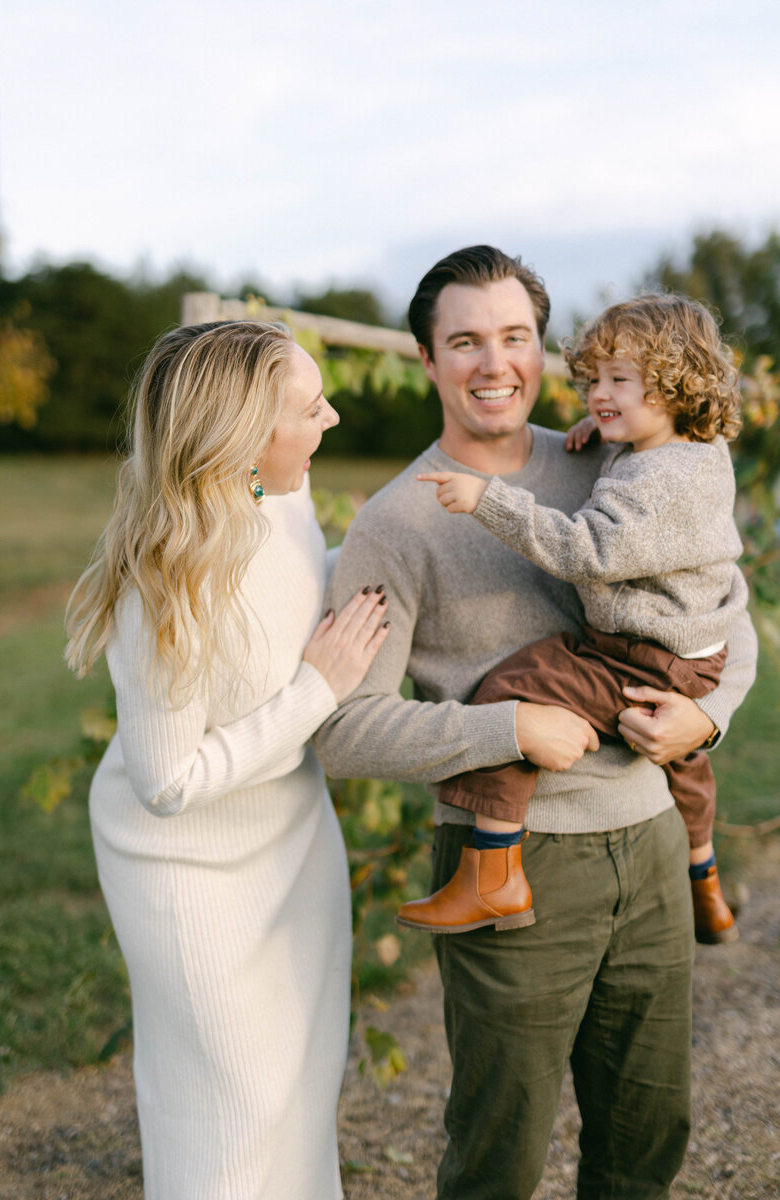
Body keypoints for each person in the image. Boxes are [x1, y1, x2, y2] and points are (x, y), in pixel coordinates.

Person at [314, 247, 757, 1200]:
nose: (494, 363)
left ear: (541, 349)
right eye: (464, 341)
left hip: (646, 848)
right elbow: (344, 729)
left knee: (647, 1137)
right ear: (426, 360)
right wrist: (504, 733)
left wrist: (705, 717)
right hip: (511, 864)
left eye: (514, 337)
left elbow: (730, 611)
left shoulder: (621, 457)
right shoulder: (398, 522)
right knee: (499, 1154)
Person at [65, 320, 390, 1200]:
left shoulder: (282, 497)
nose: (328, 419)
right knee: (231, 1107)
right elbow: (166, 780)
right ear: (242, 436)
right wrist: (317, 690)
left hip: (293, 838)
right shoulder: (166, 581)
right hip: (186, 872)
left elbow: (287, 595)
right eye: (308, 406)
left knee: (299, 1084)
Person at [400, 293, 744, 945]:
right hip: (693, 648)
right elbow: (641, 482)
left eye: (619, 381)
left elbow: (588, 550)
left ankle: (493, 871)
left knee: (513, 691)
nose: (597, 394)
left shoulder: (657, 480)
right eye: (593, 381)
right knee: (689, 763)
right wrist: (606, 437)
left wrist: (490, 501)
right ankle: (706, 878)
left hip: (641, 653)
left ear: (675, 385)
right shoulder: (686, 451)